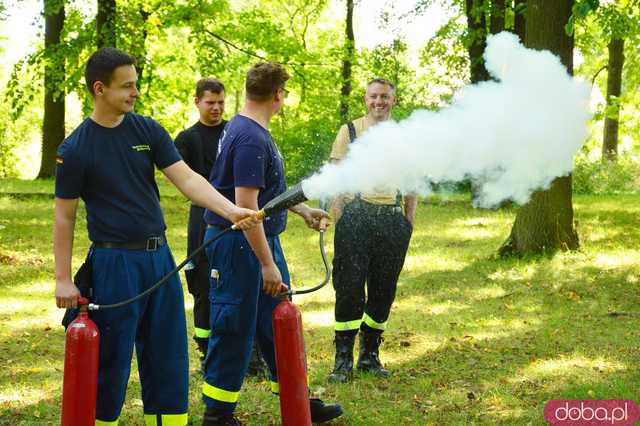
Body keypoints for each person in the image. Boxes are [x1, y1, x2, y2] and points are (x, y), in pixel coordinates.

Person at [54, 47, 259, 426]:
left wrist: (230, 210)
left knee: (168, 355)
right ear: (100, 89)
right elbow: (64, 217)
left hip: (160, 259)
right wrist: (64, 278)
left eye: (136, 84)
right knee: (110, 361)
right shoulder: (75, 148)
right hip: (114, 264)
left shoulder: (147, 129)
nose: (135, 93)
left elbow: (186, 178)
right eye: (127, 86)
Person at [200, 62, 343, 426]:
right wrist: (267, 263)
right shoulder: (249, 138)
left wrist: (304, 210)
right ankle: (217, 416)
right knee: (234, 326)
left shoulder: (248, 128)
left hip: (258, 242)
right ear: (278, 95)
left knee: (277, 321)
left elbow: (267, 193)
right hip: (239, 246)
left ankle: (297, 400)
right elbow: (247, 208)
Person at [327, 78, 417, 383]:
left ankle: (369, 356)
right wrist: (340, 219)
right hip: (356, 216)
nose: (378, 101)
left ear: (394, 100)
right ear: (366, 100)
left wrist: (408, 222)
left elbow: (413, 184)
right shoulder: (350, 131)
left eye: (384, 97)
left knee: (383, 290)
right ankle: (342, 361)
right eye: (373, 96)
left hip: (392, 219)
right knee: (349, 290)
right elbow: (337, 180)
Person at [174, 78, 227, 359]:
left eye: (220, 102)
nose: (216, 108)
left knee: (234, 278)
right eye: (210, 102)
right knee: (203, 283)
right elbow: (180, 179)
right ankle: (206, 349)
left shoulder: (234, 132)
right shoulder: (186, 139)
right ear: (197, 102)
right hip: (202, 217)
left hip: (234, 214)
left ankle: (245, 347)